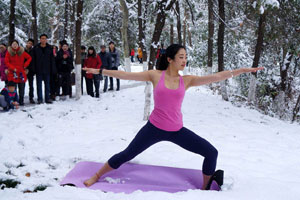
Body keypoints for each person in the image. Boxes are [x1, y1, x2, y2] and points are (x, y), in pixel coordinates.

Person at [83, 44, 264, 190]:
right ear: (170, 59)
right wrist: (100, 71)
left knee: (211, 153)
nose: (184, 60)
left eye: (185, 57)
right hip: (153, 128)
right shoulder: (155, 75)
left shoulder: (187, 80)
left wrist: (243, 70)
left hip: (177, 130)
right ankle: (96, 176)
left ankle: (204, 189)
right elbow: (124, 74)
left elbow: (217, 76)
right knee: (127, 154)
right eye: (181, 57)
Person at [5, 40, 32, 106]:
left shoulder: (22, 52)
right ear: (11, 45)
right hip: (12, 72)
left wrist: (25, 65)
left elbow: (29, 58)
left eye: (16, 44)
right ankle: (14, 100)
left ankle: (21, 100)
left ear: (18, 45)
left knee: (22, 87)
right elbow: (7, 62)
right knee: (13, 88)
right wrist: (12, 67)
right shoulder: (8, 53)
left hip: (21, 72)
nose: (14, 45)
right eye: (13, 44)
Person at [32, 34, 56, 104]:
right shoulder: (36, 48)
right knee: (39, 85)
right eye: (42, 38)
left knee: (47, 85)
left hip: (47, 69)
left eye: (45, 38)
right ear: (40, 39)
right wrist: (34, 69)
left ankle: (47, 98)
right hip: (38, 69)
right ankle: (40, 99)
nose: (43, 40)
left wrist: (53, 69)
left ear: (46, 40)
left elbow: (52, 60)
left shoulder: (50, 48)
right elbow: (33, 59)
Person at [25, 39, 35, 104]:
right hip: (23, 69)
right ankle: (20, 97)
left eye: (31, 43)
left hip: (31, 70)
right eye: (29, 43)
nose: (29, 44)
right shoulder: (23, 50)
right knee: (22, 85)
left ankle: (31, 97)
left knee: (31, 85)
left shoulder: (33, 51)